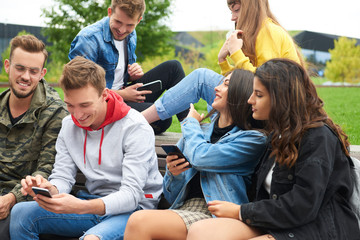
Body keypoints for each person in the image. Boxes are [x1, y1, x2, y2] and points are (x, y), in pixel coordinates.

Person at [186, 58, 360, 240]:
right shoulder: (277, 136)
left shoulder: (318, 137)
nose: (250, 100)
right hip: (278, 223)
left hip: (316, 228)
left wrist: (241, 211)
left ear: (281, 99)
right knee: (201, 232)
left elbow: (303, 206)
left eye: (259, 95)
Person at [9, 56, 163, 240]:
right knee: (20, 214)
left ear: (104, 95)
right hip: (89, 203)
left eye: (85, 105)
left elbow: (131, 196)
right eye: (70, 105)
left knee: (91, 239)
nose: (78, 115)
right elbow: (63, 176)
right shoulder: (68, 125)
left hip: (134, 211)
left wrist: (81, 207)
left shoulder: (135, 127)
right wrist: (50, 189)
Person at [124, 69, 267, 240]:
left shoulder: (252, 138)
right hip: (183, 208)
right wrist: (175, 173)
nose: (217, 88)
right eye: (220, 82)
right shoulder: (200, 132)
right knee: (138, 222)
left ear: (240, 91)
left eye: (226, 84)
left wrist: (190, 122)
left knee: (139, 221)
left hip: (219, 214)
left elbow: (201, 157)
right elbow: (171, 195)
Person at [142, 0, 303, 125]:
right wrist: (223, 61)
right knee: (218, 94)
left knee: (201, 78)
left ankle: (139, 121)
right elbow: (237, 81)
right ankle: (217, 137)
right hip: (261, 106)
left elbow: (264, 84)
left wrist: (237, 54)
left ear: (251, 8)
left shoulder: (269, 31)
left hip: (274, 109)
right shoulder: (263, 31)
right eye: (232, 11)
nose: (232, 17)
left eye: (237, 10)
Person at [68, 0, 187, 134]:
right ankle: (114, 130)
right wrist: (122, 95)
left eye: (129, 25)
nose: (122, 30)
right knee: (163, 118)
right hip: (103, 105)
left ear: (138, 20)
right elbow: (79, 89)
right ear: (109, 12)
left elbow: (119, 73)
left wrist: (132, 74)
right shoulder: (88, 39)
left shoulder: (130, 34)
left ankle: (189, 124)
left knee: (174, 68)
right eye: (118, 22)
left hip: (125, 93)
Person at [0, 35, 67, 240]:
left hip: (26, 201)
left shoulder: (55, 112)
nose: (26, 76)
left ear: (42, 74)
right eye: (20, 68)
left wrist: (11, 198)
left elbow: (46, 169)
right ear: (7, 67)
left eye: (33, 71)